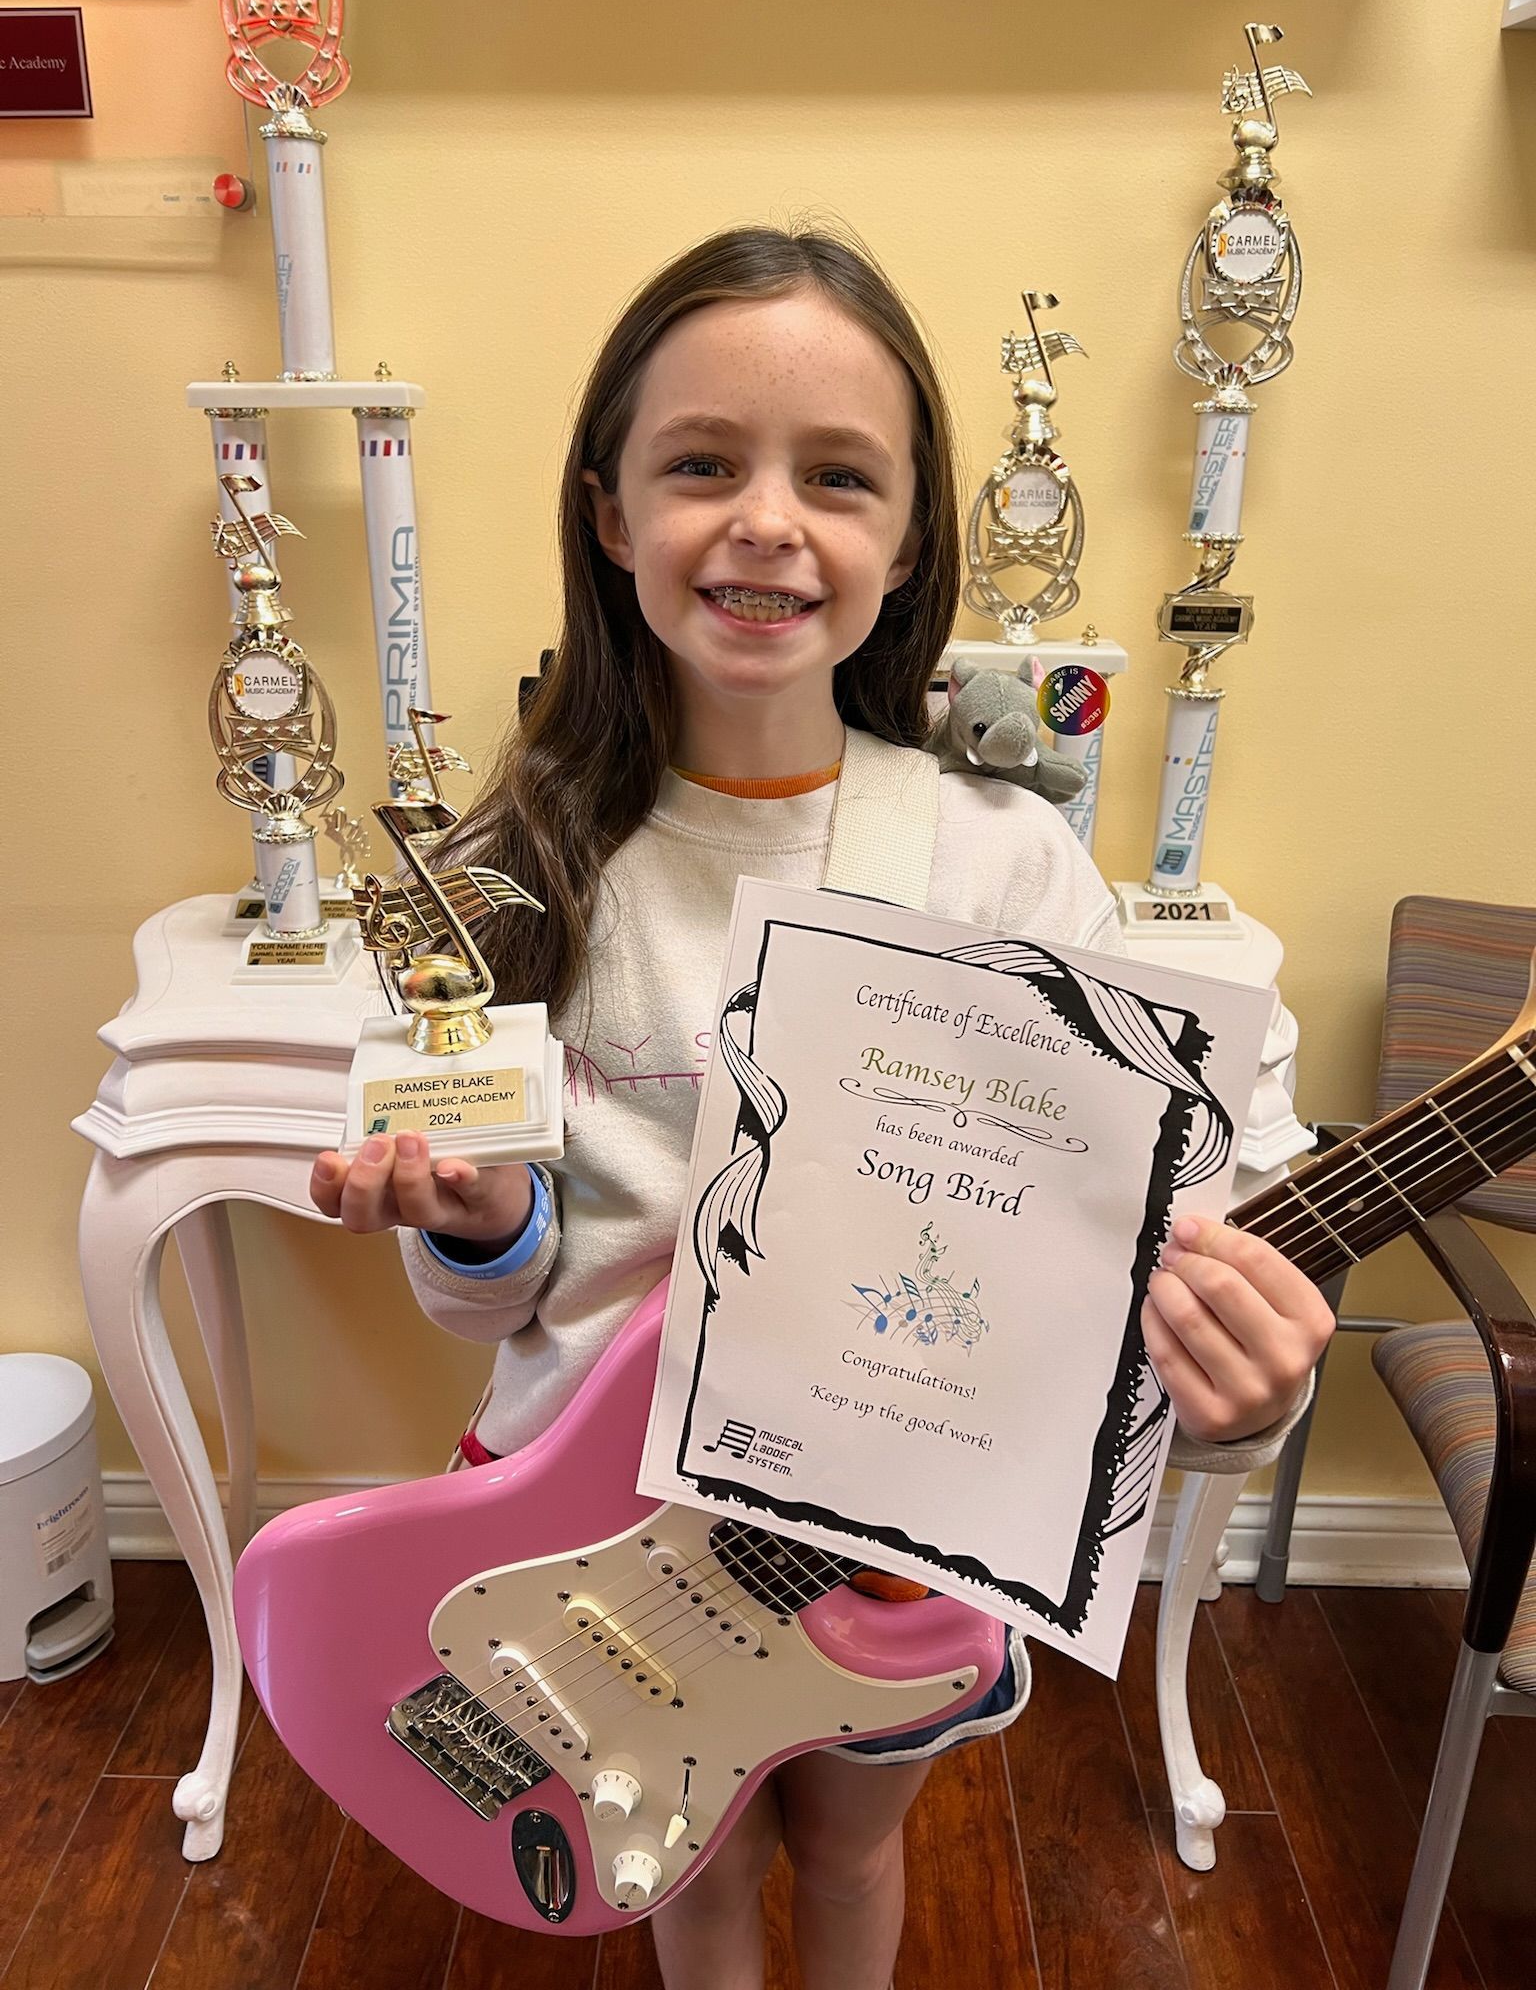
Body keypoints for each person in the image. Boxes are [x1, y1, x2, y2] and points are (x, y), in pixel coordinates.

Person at [310, 222, 1333, 1990]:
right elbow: (492, 1287)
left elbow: (1154, 1235)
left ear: (909, 535)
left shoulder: (1008, 864)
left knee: (854, 1852)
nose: (768, 519)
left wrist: (1239, 1388)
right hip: (588, 1524)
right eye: (703, 462)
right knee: (678, 1856)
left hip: (886, 1541)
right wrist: (485, 1227)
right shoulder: (515, 872)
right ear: (611, 515)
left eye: (838, 476)